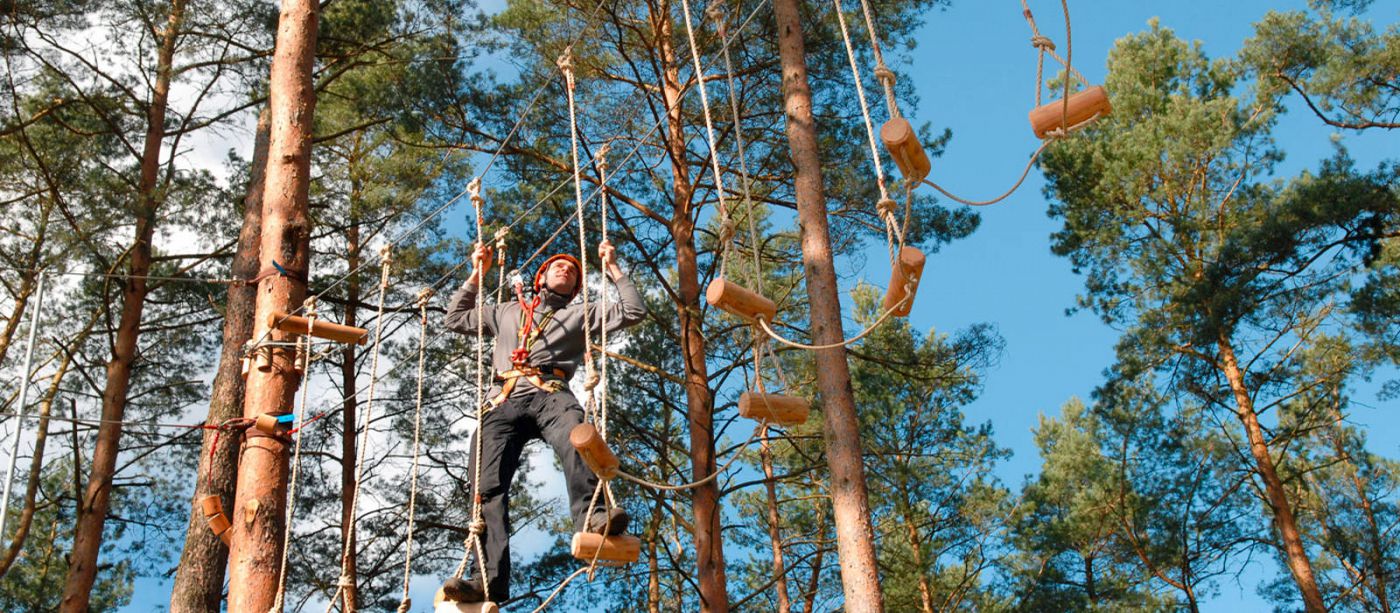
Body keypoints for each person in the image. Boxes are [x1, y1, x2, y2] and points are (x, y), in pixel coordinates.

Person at [440, 239, 646, 603]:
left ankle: (594, 517)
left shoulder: (580, 314)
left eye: (573, 271)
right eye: (558, 266)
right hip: (503, 400)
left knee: (578, 437)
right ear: (541, 277)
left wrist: (613, 267)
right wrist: (476, 274)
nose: (565, 269)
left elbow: (633, 311)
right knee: (486, 485)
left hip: (551, 392)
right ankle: (487, 580)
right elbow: (454, 318)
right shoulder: (504, 311)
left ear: (576, 288)